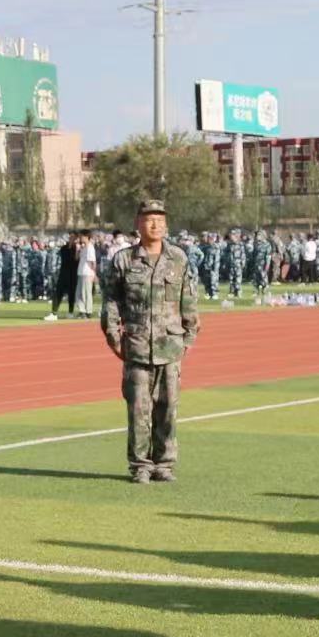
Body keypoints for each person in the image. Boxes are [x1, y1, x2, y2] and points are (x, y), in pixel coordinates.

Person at [102, 200, 199, 484]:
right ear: (138, 223)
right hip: (137, 345)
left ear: (166, 224)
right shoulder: (123, 260)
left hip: (170, 345)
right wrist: (112, 335)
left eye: (159, 219)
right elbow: (111, 301)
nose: (154, 224)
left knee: (168, 408)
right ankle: (141, 465)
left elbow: (188, 299)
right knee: (138, 409)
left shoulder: (178, 258)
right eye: (148, 219)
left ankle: (164, 464)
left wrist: (189, 336)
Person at [76, 230, 99, 316]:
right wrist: (78, 250)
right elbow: (77, 258)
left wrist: (94, 274)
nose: (80, 238)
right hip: (81, 272)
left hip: (87, 273)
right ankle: (82, 310)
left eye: (81, 236)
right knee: (79, 293)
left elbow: (93, 262)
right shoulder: (83, 247)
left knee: (86, 293)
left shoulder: (90, 247)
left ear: (86, 237)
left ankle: (88, 311)